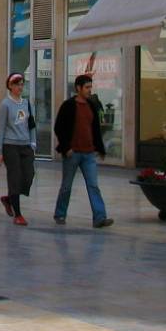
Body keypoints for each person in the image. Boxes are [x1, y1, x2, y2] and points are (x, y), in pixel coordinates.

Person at [53, 74, 113, 228]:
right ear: (78, 88)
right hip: (73, 153)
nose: (89, 90)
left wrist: (99, 149)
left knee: (93, 185)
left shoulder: (91, 105)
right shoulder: (68, 106)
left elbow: (95, 130)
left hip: (88, 154)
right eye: (86, 87)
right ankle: (60, 214)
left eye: (90, 87)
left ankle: (99, 217)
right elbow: (59, 128)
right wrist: (66, 148)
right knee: (66, 186)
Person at [0, 73, 36, 226]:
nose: (20, 87)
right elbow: (0, 129)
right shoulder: (5, 105)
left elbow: (31, 124)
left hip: (25, 145)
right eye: (17, 84)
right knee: (14, 177)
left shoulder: (27, 103)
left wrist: (33, 142)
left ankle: (8, 198)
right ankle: (18, 214)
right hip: (10, 145)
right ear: (10, 86)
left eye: (21, 84)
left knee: (29, 175)